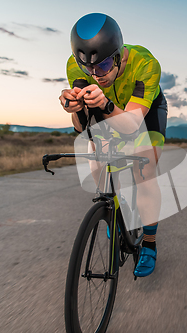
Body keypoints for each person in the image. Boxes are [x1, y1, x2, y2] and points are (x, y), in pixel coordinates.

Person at [59, 13, 167, 277]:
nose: (98, 75)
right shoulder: (77, 67)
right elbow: (79, 126)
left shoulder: (146, 64)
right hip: (104, 108)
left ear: (119, 54)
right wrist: (73, 106)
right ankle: (114, 211)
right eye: (89, 69)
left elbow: (131, 125)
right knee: (97, 158)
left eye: (105, 64)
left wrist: (105, 104)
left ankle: (150, 245)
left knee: (145, 169)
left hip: (142, 113)